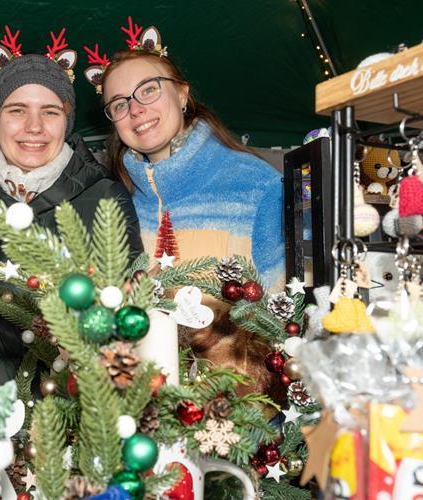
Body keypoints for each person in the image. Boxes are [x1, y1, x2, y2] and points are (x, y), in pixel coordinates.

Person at [0, 49, 143, 384]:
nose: (34, 127)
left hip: (73, 402)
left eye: (50, 112)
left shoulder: (106, 198)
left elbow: (122, 316)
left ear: (66, 123)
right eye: (17, 110)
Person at [96, 39, 286, 401]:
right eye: (119, 104)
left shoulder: (254, 184)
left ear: (182, 94)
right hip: (141, 411)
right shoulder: (115, 202)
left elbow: (282, 320)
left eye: (148, 90)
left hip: (237, 415)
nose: (135, 109)